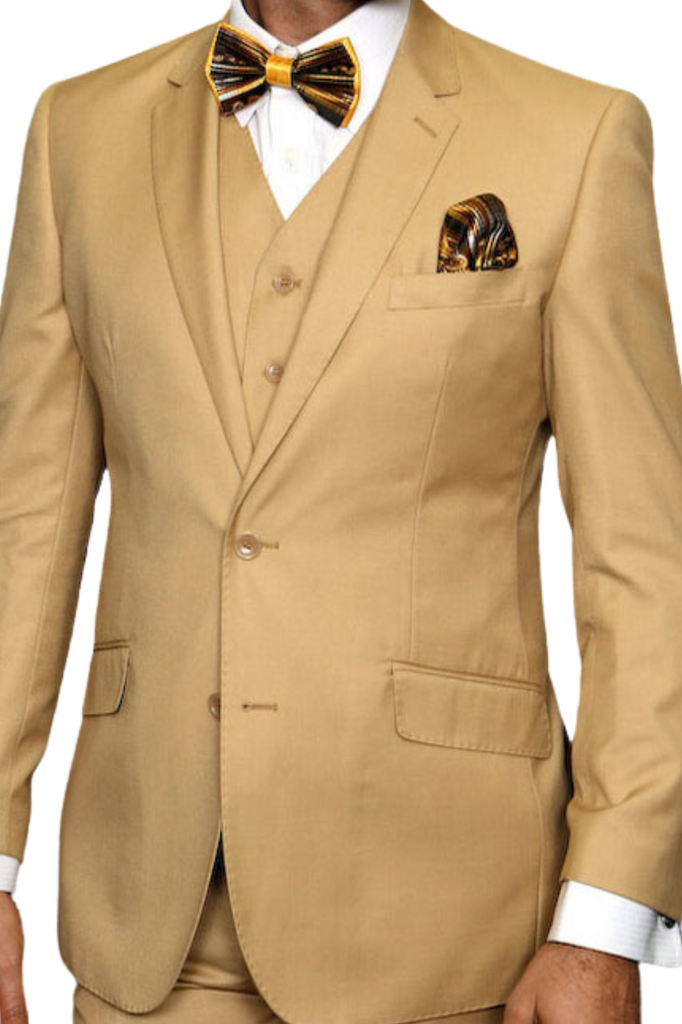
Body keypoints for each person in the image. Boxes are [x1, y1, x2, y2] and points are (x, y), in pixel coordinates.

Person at [0, 0, 681, 1021]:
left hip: (457, 930)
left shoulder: (575, 137)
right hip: (149, 922)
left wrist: (604, 921)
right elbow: (25, 527)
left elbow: (644, 561)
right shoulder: (77, 133)